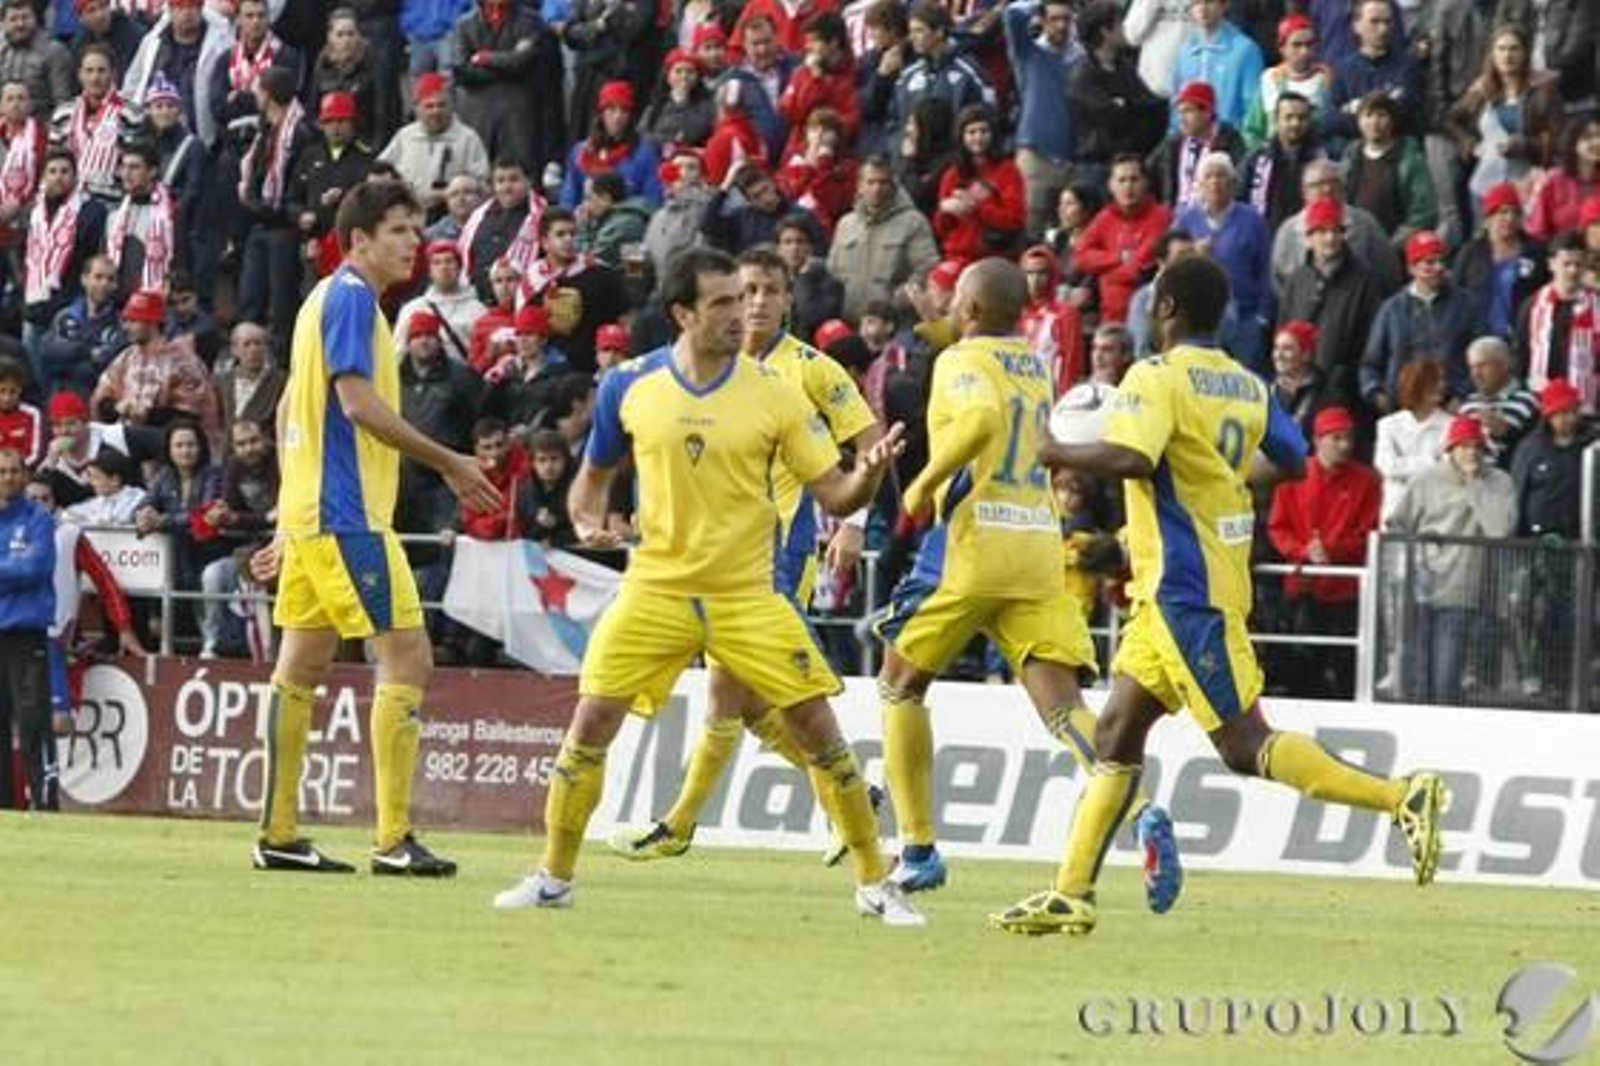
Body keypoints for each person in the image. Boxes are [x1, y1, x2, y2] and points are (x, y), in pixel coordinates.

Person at [993, 255, 1445, 936]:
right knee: (1115, 734)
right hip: (1172, 590)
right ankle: (1071, 893)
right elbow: (1290, 461)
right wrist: (1221, 478)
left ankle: (1402, 795)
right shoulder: (1247, 383)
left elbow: (1134, 458)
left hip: (1187, 593)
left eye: (1154, 301)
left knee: (1243, 745)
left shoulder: (1154, 376)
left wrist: (1055, 452)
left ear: (1166, 308)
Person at [491, 247, 922, 925]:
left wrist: (866, 478)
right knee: (592, 721)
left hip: (747, 594)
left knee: (817, 727)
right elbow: (591, 481)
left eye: (745, 297)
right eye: (723, 301)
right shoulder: (629, 386)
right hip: (655, 591)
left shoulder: (778, 392)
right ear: (683, 313)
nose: (740, 312)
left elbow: (835, 493)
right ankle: (553, 875)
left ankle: (875, 882)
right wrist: (587, 520)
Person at [870, 258, 1182, 902]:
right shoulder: (1035, 366)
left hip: (972, 545)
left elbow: (980, 419)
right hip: (1037, 547)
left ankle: (919, 848)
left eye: (955, 300)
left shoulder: (961, 361)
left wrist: (923, 485)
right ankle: (1141, 808)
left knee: (899, 685)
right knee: (1063, 707)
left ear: (971, 310)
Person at [248, 180, 500, 877]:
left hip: (313, 518)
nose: (414, 242)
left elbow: (287, 413)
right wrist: (449, 460)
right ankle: (393, 839)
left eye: (416, 230)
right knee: (408, 657)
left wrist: (287, 518)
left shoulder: (319, 302)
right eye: (399, 230)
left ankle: (278, 833)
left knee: (300, 668)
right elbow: (357, 406)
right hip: (347, 518)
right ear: (358, 240)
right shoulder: (355, 298)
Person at [607, 246, 883, 866]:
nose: (755, 303)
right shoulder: (701, 367)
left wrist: (853, 524)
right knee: (746, 702)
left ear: (788, 300)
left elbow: (870, 441)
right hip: (713, 557)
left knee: (728, 693)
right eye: (745, 290)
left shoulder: (810, 370)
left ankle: (680, 824)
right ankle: (850, 798)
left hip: (777, 554)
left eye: (768, 291)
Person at [1384, 415, 1516, 704]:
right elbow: (1397, 523)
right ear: (1450, 449)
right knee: (1416, 674)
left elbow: (1499, 530)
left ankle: (1442, 724)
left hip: (1464, 591)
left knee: (1446, 675)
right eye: (1464, 446)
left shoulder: (1500, 482)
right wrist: (1415, 554)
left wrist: (1474, 486)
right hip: (1421, 588)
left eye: (1478, 447)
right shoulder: (1427, 479)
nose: (1472, 453)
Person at [1267, 406, 1380, 697]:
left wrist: (1328, 550)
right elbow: (1277, 528)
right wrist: (1304, 551)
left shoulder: (1367, 481)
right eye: (1337, 438)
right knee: (1300, 670)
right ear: (1317, 440)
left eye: (1349, 438)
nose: (1345, 445)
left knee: (1346, 672)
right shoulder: (1293, 476)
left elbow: (1370, 535)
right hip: (1303, 589)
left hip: (1346, 592)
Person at [0, 445, 55, 811]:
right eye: (1, 471)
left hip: (25, 636)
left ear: (25, 475)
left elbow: (34, 568)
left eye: (14, 471)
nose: (8, 478)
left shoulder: (39, 518)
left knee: (33, 722)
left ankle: (47, 805)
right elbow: (18, 569)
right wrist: (11, 567)